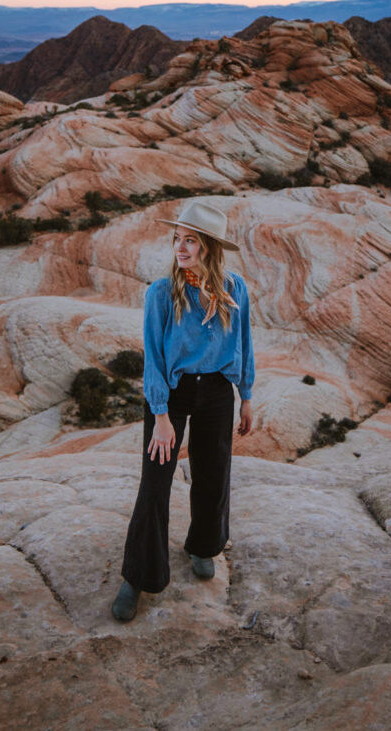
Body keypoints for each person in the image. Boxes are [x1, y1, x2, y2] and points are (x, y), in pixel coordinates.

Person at [112, 200, 255, 621]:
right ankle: (138, 576)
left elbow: (244, 342)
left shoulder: (235, 289)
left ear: (209, 246)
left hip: (216, 391)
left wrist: (246, 396)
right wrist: (159, 416)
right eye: (177, 239)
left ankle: (203, 545)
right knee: (155, 482)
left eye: (190, 240)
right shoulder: (161, 292)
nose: (180, 247)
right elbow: (153, 358)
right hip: (171, 394)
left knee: (213, 474)